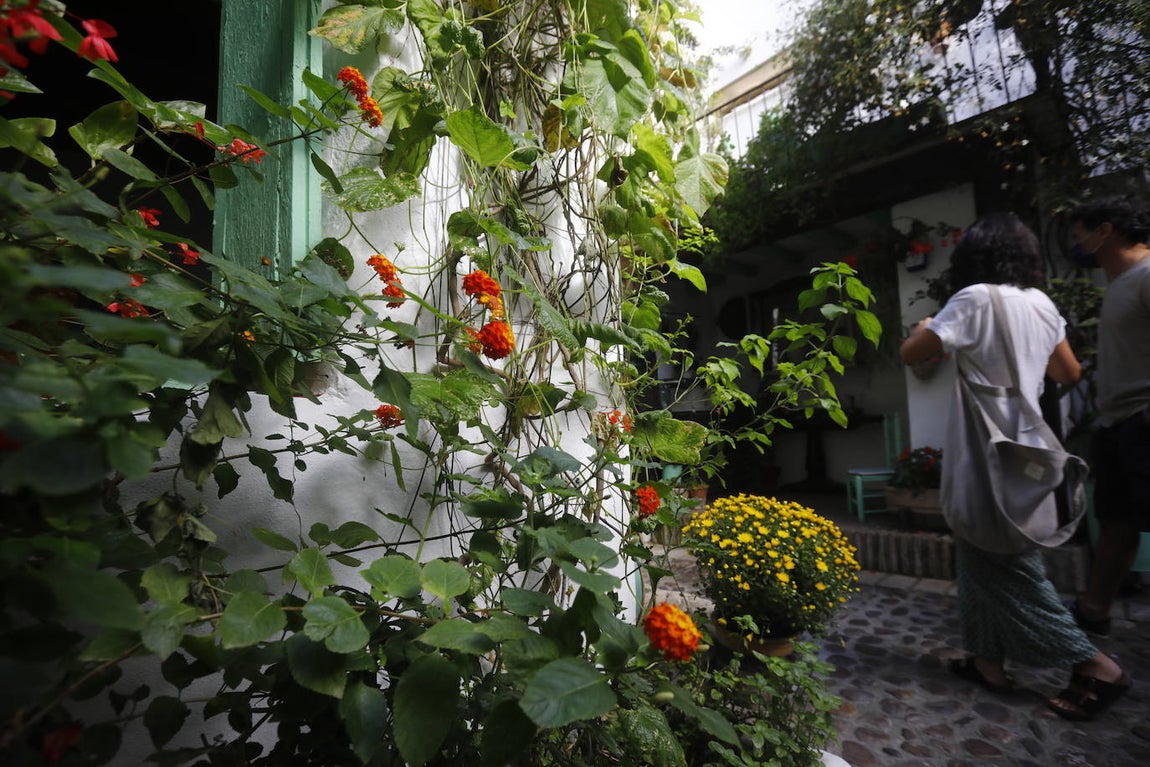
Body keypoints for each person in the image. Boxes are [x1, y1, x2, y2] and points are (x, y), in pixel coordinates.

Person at [900, 212, 1130, 721]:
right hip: (1027, 449)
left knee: (1007, 564)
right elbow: (1068, 372)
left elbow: (913, 352)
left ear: (974, 256)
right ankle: (988, 662)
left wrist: (924, 327)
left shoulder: (974, 299)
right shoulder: (1041, 303)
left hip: (986, 450)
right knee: (978, 555)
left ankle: (1095, 666)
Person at [1066, 195, 1150, 636]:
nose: (1077, 246)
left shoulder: (1146, 274)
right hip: (1117, 422)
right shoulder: (1119, 282)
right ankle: (1094, 609)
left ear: (1106, 231)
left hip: (1141, 419)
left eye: (1081, 235)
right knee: (1117, 520)